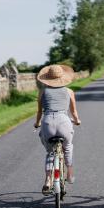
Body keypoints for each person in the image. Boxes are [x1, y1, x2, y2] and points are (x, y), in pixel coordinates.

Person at [34, 64, 81, 195]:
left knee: (50, 152)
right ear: (62, 77)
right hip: (64, 122)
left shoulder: (42, 91)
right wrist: (77, 121)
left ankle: (48, 181)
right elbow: (74, 112)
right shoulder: (69, 91)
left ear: (47, 78)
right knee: (68, 147)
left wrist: (37, 123)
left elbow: (39, 112)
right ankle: (70, 174)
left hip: (48, 122)